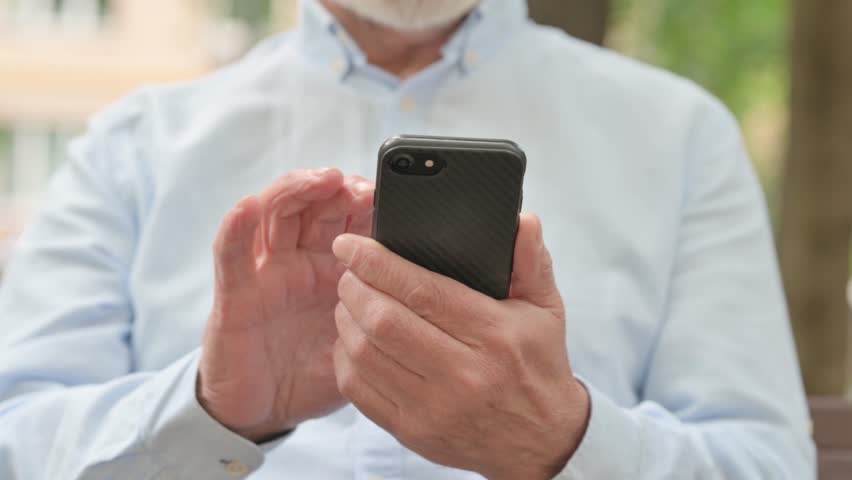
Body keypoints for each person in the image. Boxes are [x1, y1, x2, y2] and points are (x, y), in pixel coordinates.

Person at [0, 0, 816, 478]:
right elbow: (16, 437)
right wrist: (210, 410)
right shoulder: (134, 142)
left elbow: (765, 461)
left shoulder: (678, 136)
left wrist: (562, 441)